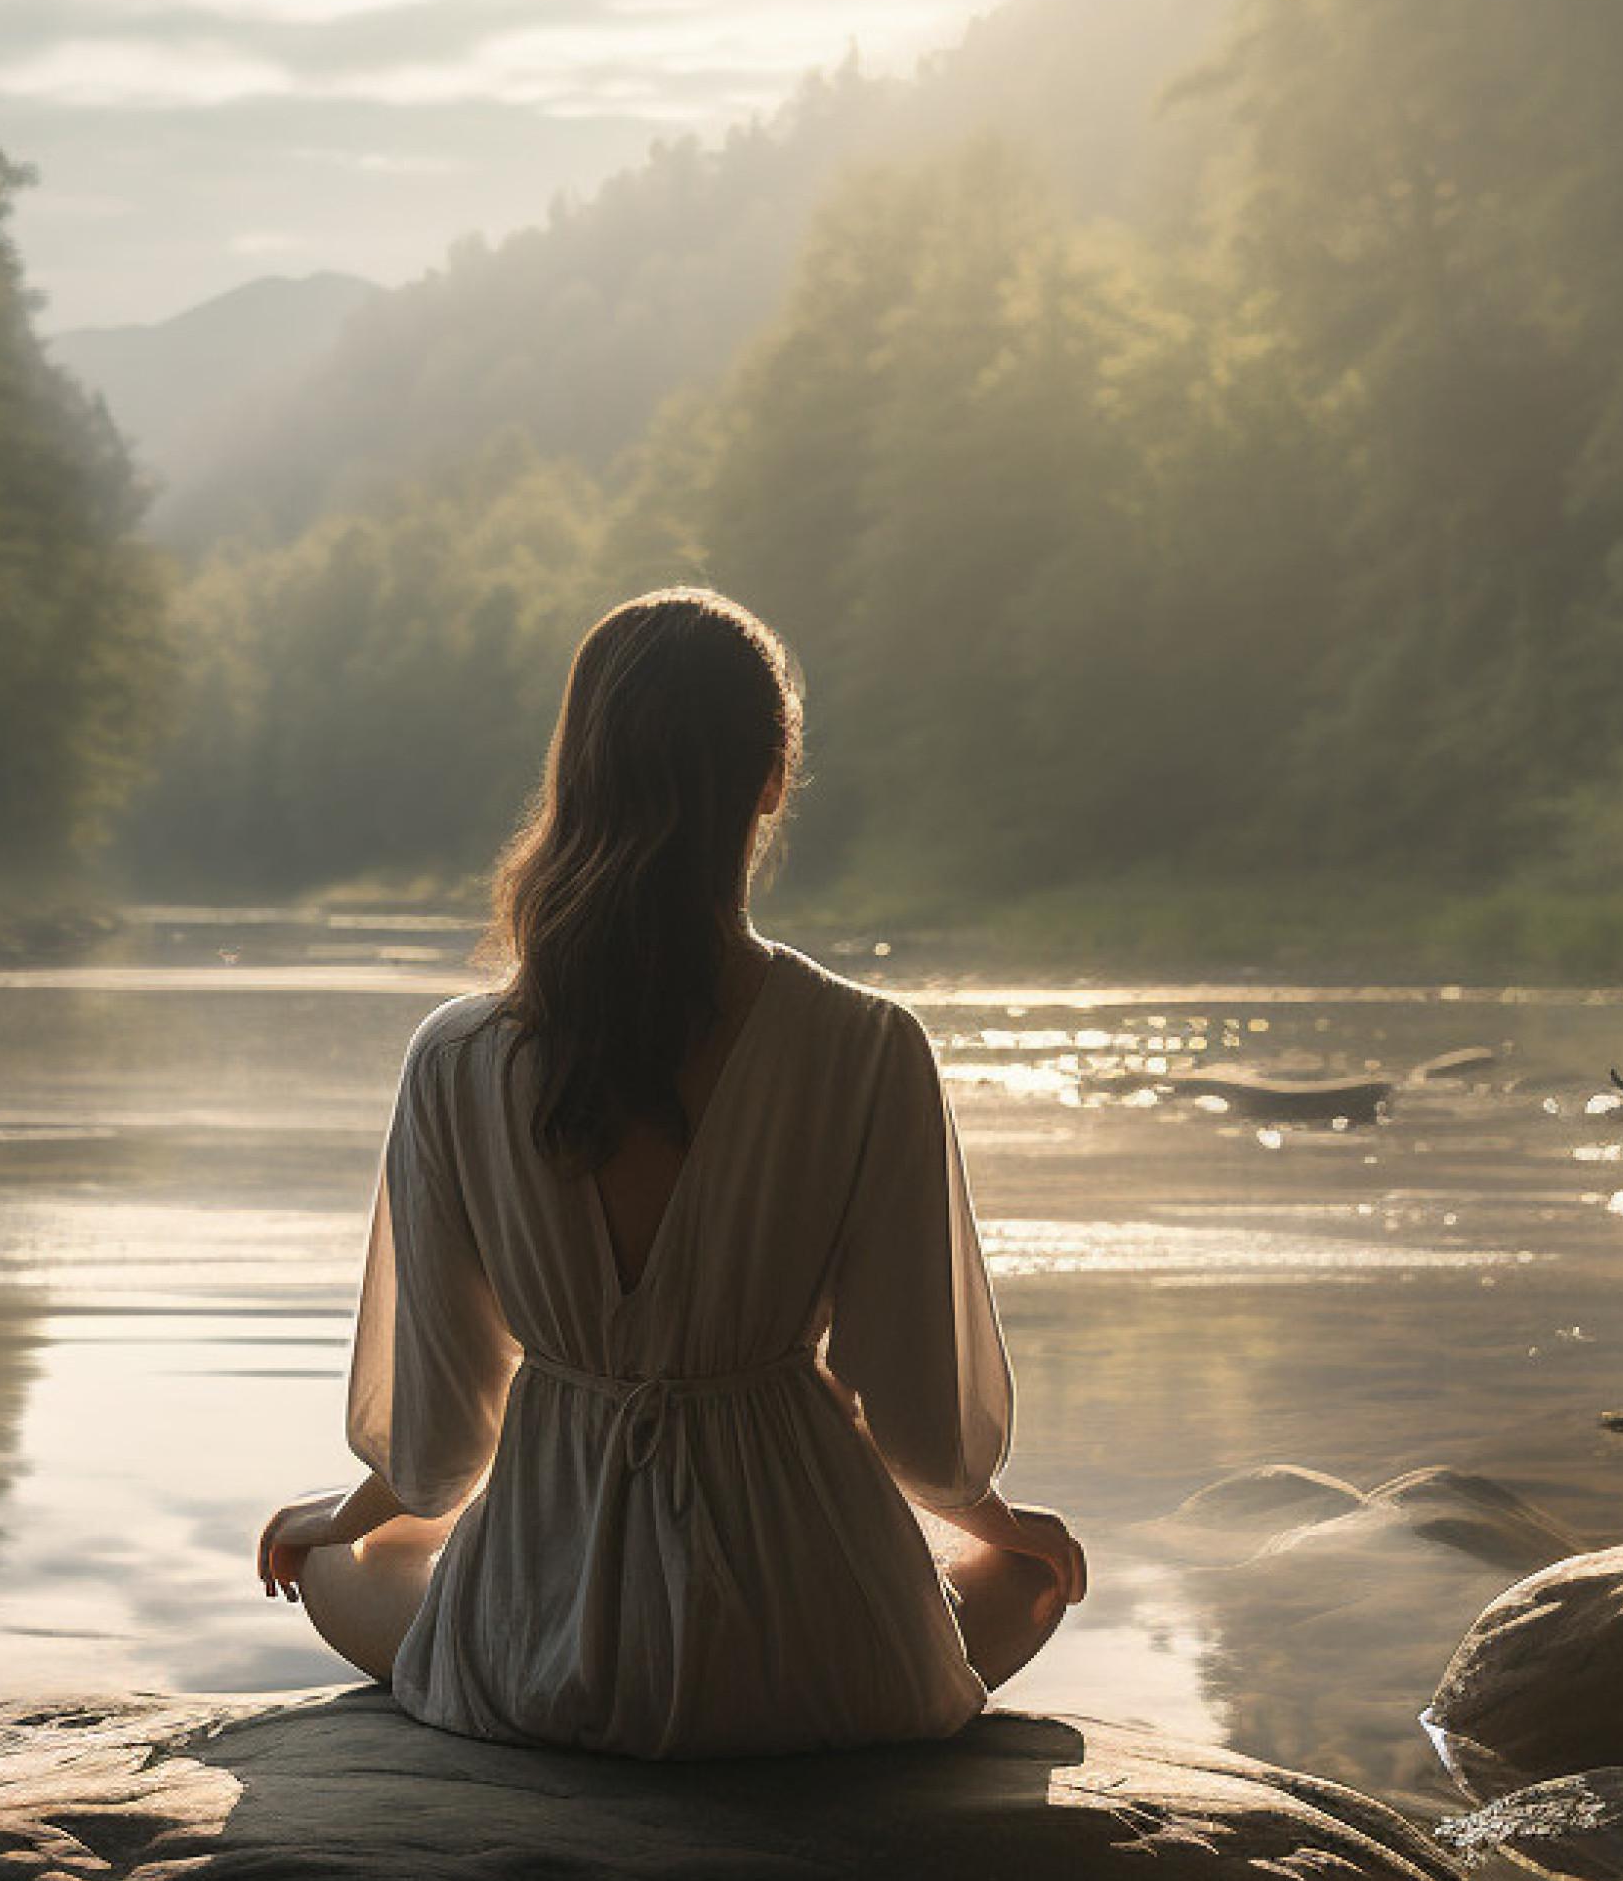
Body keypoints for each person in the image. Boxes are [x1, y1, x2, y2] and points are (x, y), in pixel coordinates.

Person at [255, 586, 1084, 1758]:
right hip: (821, 1672)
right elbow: (923, 1426)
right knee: (1023, 1576)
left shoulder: (456, 1057)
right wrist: (1000, 1521)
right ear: (770, 781)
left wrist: (337, 1514)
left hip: (543, 1669)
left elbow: (437, 1450)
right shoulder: (869, 1044)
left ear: (578, 780)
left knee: (350, 1557)